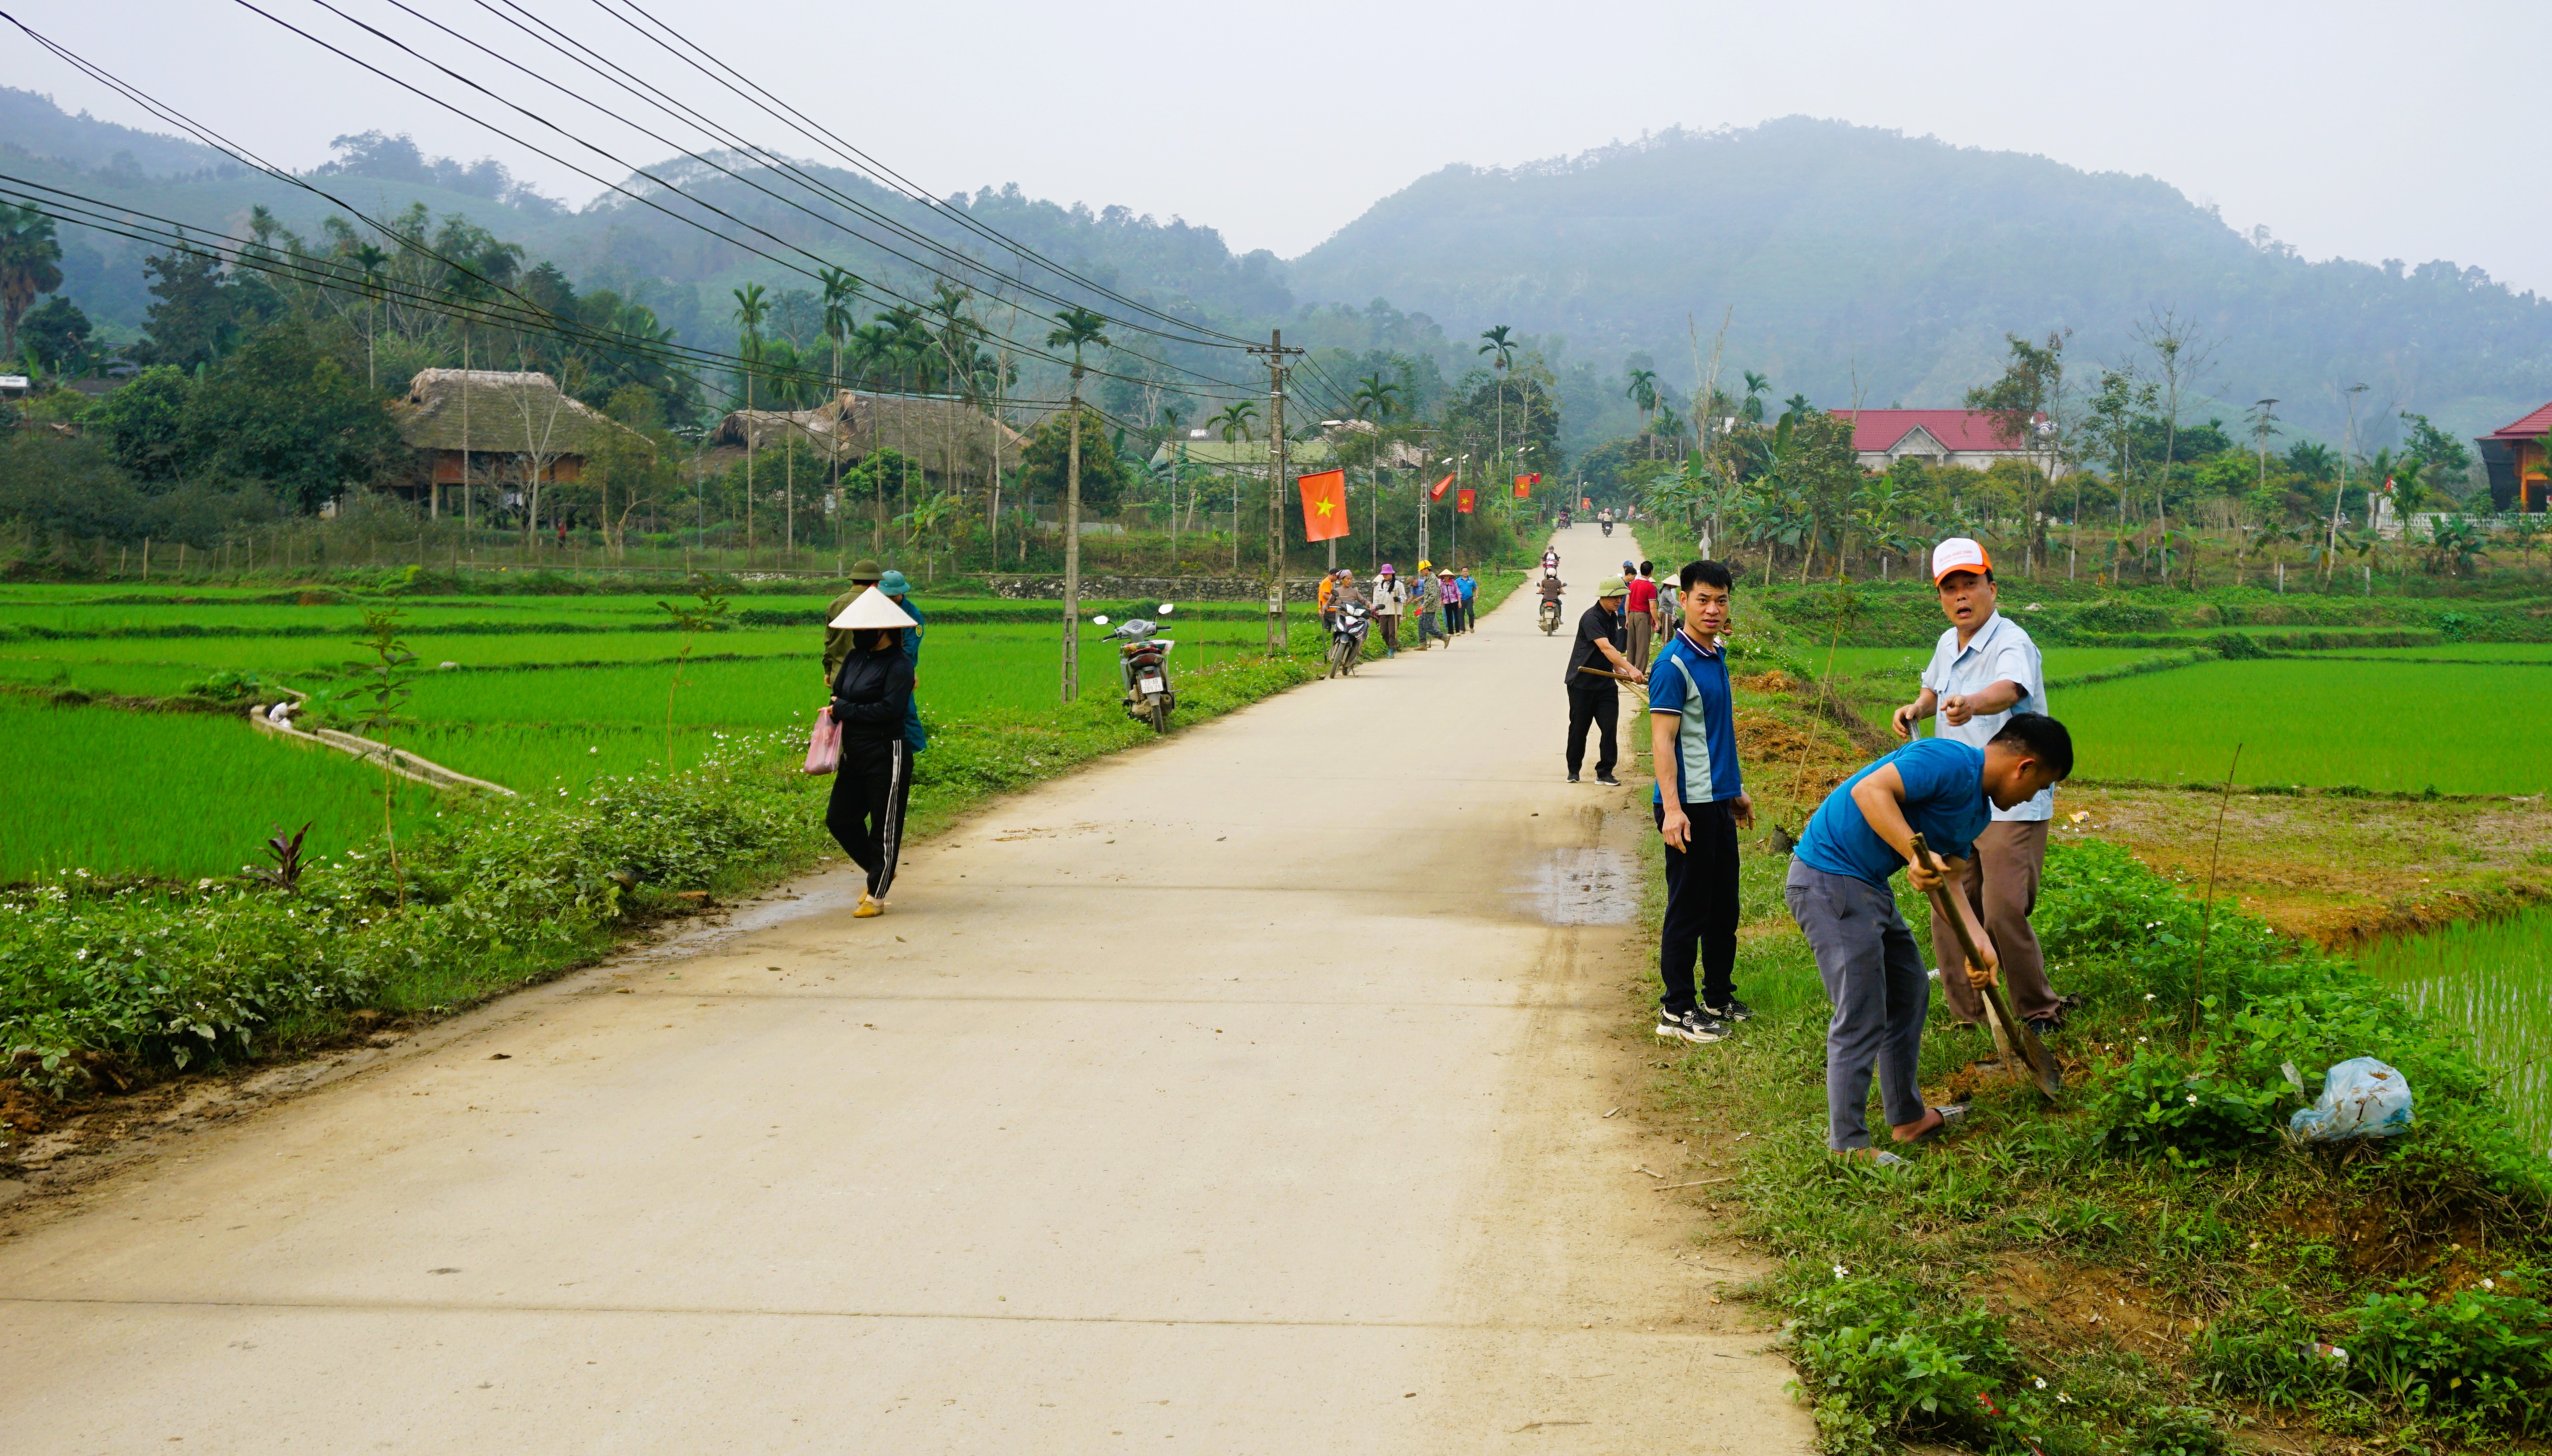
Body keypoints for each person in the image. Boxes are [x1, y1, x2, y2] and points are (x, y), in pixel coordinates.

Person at [1786, 713, 2074, 1162]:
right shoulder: (1946, 760)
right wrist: (1911, 853)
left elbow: (1951, 884)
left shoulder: (1977, 810)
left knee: (1910, 989)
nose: (2029, 800)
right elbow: (1870, 791)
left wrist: (1979, 943)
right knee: (1861, 1009)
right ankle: (1848, 1146)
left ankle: (1907, 1118)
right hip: (1828, 877)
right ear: (2025, 766)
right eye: (2039, 787)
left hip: (1869, 886)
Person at [1887, 538, 2066, 1037]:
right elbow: (1934, 685)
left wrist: (1972, 705)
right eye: (1950, 588)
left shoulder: (2012, 641)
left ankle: (2038, 1011)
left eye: (1971, 583)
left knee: (2004, 909)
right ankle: (1969, 1013)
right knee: (1949, 903)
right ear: (1940, 597)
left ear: (1992, 587)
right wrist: (1918, 707)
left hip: (2012, 800)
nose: (1962, 595)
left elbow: (2008, 690)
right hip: (1958, 800)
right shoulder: (1948, 642)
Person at [1649, 560, 1754, 1044]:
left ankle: (1716, 994)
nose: (1712, 609)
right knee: (1688, 907)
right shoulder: (1673, 665)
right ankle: (1676, 1009)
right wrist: (1672, 809)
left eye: (1721, 600)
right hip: (1686, 805)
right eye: (1703, 599)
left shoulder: (1715, 656)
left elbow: (1716, 734)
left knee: (1722, 908)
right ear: (1684, 601)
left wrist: (1734, 790)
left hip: (1715, 800)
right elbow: (1664, 742)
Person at [824, 586, 922, 919]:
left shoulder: (899, 665)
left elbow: (889, 710)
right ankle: (879, 869)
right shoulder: (855, 657)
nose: (858, 635)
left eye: (864, 630)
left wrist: (847, 708)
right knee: (839, 818)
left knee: (885, 826)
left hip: (886, 754)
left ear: (884, 630)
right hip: (854, 753)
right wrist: (845, 707)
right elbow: (837, 695)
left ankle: (876, 896)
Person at [1563, 575, 1647, 785]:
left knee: (1609, 728)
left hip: (1605, 684)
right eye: (1614, 597)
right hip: (1581, 683)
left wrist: (1620, 671)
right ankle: (1574, 770)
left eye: (1621, 597)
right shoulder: (1591, 617)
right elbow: (1605, 647)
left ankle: (1605, 772)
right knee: (1579, 728)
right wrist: (1631, 668)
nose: (1619, 601)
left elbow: (1612, 652)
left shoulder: (1612, 617)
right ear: (1603, 597)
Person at [879, 568, 927, 755]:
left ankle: (918, 752)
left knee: (907, 711)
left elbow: (909, 649)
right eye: (887, 596)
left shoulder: (913, 615)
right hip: (878, 669)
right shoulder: (878, 609)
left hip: (899, 670)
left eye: (894, 596)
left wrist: (891, 666)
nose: (891, 599)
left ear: (902, 592)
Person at [822, 557, 886, 687]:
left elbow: (829, 642)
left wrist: (829, 670)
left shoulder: (835, 604)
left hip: (839, 674)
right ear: (876, 583)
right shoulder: (882, 605)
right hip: (872, 678)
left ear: (852, 581)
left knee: (840, 707)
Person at [1370, 563, 1404, 656]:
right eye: (1384, 574)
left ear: (1392, 574)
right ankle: (1389, 645)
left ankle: (1391, 649)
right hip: (1383, 611)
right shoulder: (1380, 585)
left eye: (1387, 574)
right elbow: (1376, 598)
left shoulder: (1398, 584)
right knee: (1384, 631)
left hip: (1394, 611)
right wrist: (1375, 608)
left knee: (1392, 631)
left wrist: (1399, 599)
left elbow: (1404, 597)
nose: (1385, 576)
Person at [1414, 559, 1447, 647]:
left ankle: (1444, 637)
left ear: (1426, 569)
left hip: (1430, 607)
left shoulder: (1432, 579)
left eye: (1421, 570)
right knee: (1421, 625)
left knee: (1427, 627)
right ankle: (1423, 645)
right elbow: (1428, 593)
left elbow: (1433, 595)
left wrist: (1424, 605)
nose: (1421, 572)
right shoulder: (1428, 579)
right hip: (1426, 607)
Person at [1438, 568, 1461, 637]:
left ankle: (1458, 631)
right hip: (1447, 602)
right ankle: (1450, 631)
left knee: (1456, 616)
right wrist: (1440, 603)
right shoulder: (1442, 584)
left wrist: (1459, 602)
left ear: (1450, 577)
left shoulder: (1454, 583)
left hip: (1454, 601)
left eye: (1447, 576)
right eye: (1445, 576)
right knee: (1449, 617)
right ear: (1443, 577)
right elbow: (1442, 594)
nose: (1446, 578)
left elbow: (1458, 592)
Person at [1456, 568, 1477, 633]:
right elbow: (1455, 590)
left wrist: (1476, 596)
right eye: (1464, 571)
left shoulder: (1471, 580)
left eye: (1466, 571)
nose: (1465, 573)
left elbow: (1476, 588)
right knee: (1461, 614)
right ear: (1461, 572)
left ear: (1468, 572)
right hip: (1461, 600)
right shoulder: (1457, 581)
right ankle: (1462, 629)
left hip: (1469, 599)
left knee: (1470, 613)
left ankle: (1471, 627)